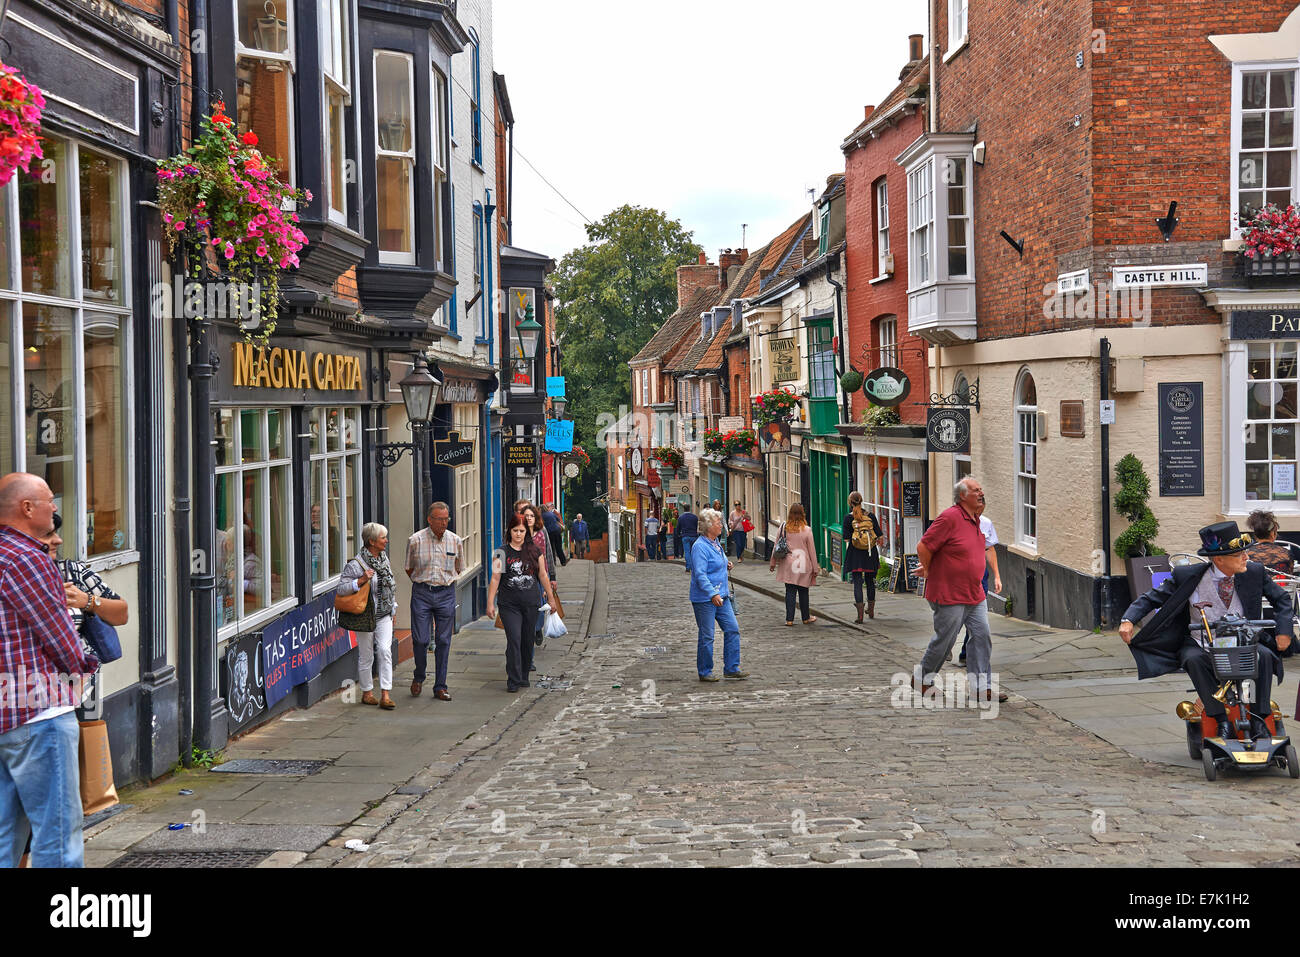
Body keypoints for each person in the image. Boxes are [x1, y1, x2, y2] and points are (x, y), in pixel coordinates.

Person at [0, 473, 99, 868]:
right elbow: (60, 637)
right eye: (49, 504)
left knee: (6, 832)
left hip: (7, 714)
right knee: (58, 833)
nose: (55, 509)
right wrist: (85, 669)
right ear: (27, 508)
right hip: (40, 711)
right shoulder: (29, 559)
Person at [1120, 521, 1293, 741]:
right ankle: (1220, 720)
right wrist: (1128, 619)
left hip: (1244, 640)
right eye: (1239, 554)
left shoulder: (1254, 572)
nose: (1247, 558)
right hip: (1201, 641)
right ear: (1219, 559)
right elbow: (1152, 597)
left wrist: (1284, 631)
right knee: (1192, 659)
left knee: (1265, 656)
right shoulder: (1188, 576)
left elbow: (1282, 599)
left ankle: (1260, 720)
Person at [912, 477, 1007, 703]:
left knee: (982, 635)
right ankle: (922, 679)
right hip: (949, 592)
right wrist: (927, 568)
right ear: (963, 495)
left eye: (981, 489)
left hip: (974, 592)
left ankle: (980, 688)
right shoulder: (949, 517)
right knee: (945, 640)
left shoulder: (976, 520)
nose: (981, 493)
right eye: (976, 490)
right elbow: (923, 546)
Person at [488, 513, 561, 692]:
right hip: (508, 604)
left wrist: (551, 599)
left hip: (531, 603)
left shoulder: (535, 552)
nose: (518, 534)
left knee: (527, 641)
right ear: (509, 531)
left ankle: (523, 676)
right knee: (514, 639)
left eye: (521, 531)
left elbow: (542, 575)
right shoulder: (500, 552)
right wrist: (490, 603)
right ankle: (513, 679)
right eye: (515, 530)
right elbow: (495, 579)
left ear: (526, 532)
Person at [405, 502, 463, 701]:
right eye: (440, 519)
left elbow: (459, 567)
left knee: (444, 641)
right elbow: (408, 568)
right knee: (421, 639)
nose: (444, 523)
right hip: (422, 592)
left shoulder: (455, 541)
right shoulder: (415, 540)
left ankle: (440, 686)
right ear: (430, 520)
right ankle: (419, 675)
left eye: (447, 519)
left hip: (446, 593)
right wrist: (422, 582)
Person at [338, 523, 397, 710]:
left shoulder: (383, 559)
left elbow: (390, 586)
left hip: (384, 615)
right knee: (366, 655)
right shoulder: (356, 564)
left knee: (385, 651)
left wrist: (393, 607)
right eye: (383, 538)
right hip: (365, 616)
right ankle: (367, 692)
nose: (386, 541)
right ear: (372, 541)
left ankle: (386, 694)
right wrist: (361, 580)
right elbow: (341, 588)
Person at [689, 508, 747, 682]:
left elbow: (715, 563)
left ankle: (731, 668)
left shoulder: (715, 543)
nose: (721, 526)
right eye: (717, 523)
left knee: (732, 629)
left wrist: (726, 564)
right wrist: (712, 593)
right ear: (708, 526)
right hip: (706, 599)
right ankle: (705, 671)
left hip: (722, 596)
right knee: (707, 635)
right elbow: (700, 574)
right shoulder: (699, 547)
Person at [957, 512, 1003, 665]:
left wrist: (997, 575)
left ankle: (967, 653)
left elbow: (989, 549)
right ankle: (946, 642)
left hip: (979, 575)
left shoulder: (985, 523)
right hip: (957, 574)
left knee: (977, 616)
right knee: (956, 615)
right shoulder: (951, 521)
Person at [771, 503, 819, 626]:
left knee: (790, 591)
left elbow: (776, 546)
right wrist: (815, 567)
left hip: (788, 563)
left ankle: (789, 619)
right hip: (803, 563)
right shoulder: (807, 530)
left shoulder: (784, 527)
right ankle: (805, 618)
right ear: (802, 514)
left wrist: (773, 563)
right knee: (803, 592)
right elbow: (812, 551)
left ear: (790, 514)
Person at [843, 491, 883, 622]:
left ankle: (860, 616)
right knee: (870, 582)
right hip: (870, 553)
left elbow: (846, 539)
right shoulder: (870, 516)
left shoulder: (848, 518)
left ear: (850, 503)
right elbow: (879, 536)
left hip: (855, 554)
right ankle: (871, 611)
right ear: (861, 501)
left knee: (857, 583)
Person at [1245, 510, 1300, 574]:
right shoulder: (1286, 553)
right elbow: (1289, 577)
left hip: (1256, 584)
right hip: (1279, 584)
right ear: (1272, 534)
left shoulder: (1246, 555)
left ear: (1256, 535)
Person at [542, 502, 568, 567]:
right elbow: (558, 520)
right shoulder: (551, 513)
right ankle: (563, 561)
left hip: (549, 532)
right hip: (557, 531)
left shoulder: (541, 516)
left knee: (551, 548)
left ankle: (553, 562)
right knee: (558, 547)